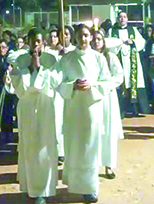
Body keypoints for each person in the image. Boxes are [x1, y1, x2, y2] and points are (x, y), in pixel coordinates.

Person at [57, 24, 113, 203]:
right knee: (74, 144)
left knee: (90, 145)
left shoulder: (98, 58)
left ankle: (90, 188)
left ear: (91, 37)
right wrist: (72, 85)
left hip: (91, 107)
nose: (84, 39)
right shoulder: (66, 59)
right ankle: (74, 183)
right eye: (80, 35)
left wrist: (92, 85)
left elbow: (107, 82)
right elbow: (58, 82)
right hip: (73, 107)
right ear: (76, 38)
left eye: (87, 35)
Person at [4, 28, 60, 204]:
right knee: (29, 144)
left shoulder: (51, 59)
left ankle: (44, 190)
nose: (36, 44)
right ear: (27, 41)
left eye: (38, 41)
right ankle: (31, 187)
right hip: (27, 106)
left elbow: (55, 80)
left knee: (45, 145)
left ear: (43, 42)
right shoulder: (20, 59)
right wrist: (30, 68)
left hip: (45, 105)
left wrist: (39, 68)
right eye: (32, 41)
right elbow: (17, 85)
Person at [91, 29, 124, 180]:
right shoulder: (88, 57)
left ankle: (109, 165)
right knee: (95, 130)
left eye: (99, 39)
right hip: (92, 98)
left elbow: (119, 76)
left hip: (108, 97)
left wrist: (106, 85)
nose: (96, 42)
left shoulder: (110, 57)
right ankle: (93, 164)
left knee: (108, 131)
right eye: (94, 39)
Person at [107, 11, 149, 117]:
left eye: (124, 17)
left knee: (132, 82)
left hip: (131, 61)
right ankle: (121, 110)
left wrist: (133, 42)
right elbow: (108, 44)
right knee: (120, 83)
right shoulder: (112, 31)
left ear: (127, 19)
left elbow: (142, 42)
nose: (122, 19)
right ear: (117, 19)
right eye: (120, 17)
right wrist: (120, 42)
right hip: (118, 60)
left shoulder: (133, 30)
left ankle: (135, 110)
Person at [0, 39, 16, 147]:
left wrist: (10, 69)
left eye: (4, 47)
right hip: (1, 86)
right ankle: (2, 132)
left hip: (10, 87)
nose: (2, 49)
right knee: (1, 110)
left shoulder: (9, 58)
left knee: (9, 111)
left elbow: (13, 69)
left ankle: (9, 133)